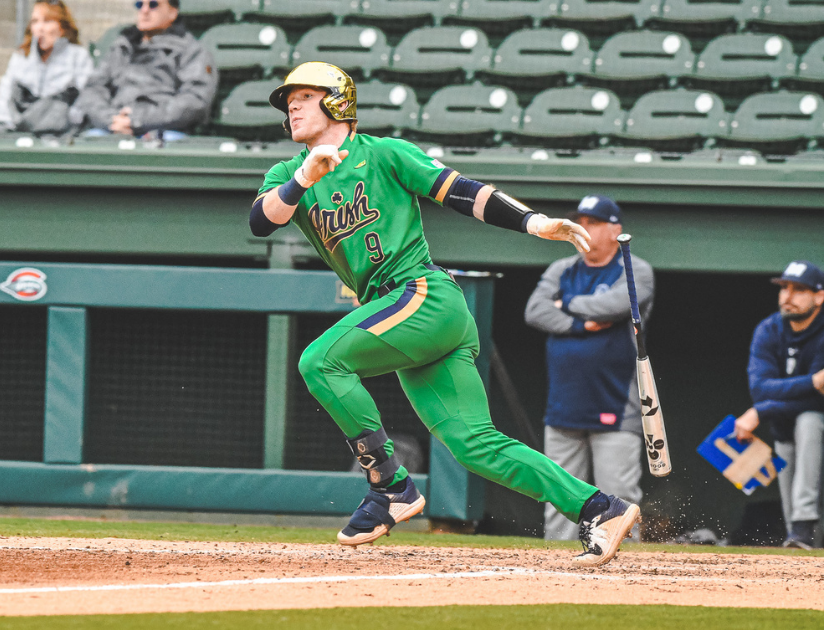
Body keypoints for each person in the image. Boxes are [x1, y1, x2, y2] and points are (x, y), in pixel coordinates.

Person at [249, 62, 640, 567]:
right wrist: (305, 176)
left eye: (303, 95)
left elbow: (459, 191)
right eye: (289, 101)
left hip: (421, 295)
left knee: (320, 362)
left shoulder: (383, 153)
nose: (293, 106)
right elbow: (261, 222)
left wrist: (533, 222)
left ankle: (390, 485)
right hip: (407, 314)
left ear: (337, 101)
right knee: (475, 445)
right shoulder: (288, 174)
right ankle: (599, 508)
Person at [524, 195, 653, 541]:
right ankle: (557, 577)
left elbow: (617, 303)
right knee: (559, 499)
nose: (584, 229)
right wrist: (581, 324)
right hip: (564, 405)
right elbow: (535, 311)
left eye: (594, 222)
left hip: (614, 403)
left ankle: (629, 575)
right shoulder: (562, 268)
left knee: (620, 499)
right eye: (581, 221)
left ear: (615, 230)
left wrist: (566, 303)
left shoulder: (633, 268)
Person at [733, 260, 824, 549]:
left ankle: (803, 526)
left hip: (817, 426)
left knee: (810, 420)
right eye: (784, 287)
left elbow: (819, 404)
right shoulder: (769, 329)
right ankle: (800, 533)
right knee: (796, 529)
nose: (788, 295)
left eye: (799, 289)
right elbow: (760, 389)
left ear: (819, 296)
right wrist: (811, 383)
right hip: (783, 428)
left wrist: (763, 410)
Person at [73, 0, 216, 139]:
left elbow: (195, 101)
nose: (144, 10)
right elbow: (93, 89)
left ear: (172, 12)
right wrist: (110, 119)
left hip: (165, 131)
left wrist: (137, 120)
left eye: (153, 4)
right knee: (84, 147)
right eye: (139, 4)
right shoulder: (121, 46)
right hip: (114, 128)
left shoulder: (191, 50)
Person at [0, 0, 93, 135]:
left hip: (61, 133)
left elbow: (85, 100)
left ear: (62, 27)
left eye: (47, 21)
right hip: (19, 130)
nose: (40, 28)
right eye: (35, 21)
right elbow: (3, 97)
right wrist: (17, 124)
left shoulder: (79, 56)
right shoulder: (20, 57)